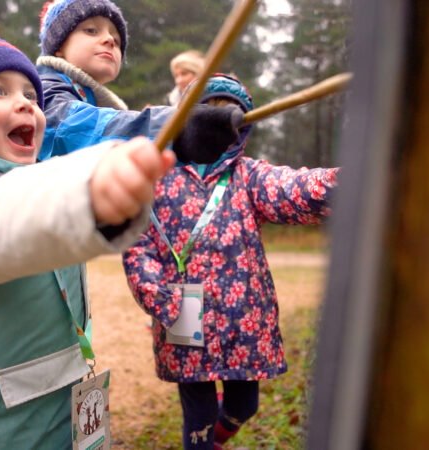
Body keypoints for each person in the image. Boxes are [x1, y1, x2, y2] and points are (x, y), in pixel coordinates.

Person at [0, 35, 174, 448]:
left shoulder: (28, 180)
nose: (26, 104)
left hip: (50, 411)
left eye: (31, 95)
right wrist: (87, 193)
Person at [122, 74, 340, 449]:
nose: (222, 127)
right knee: (199, 418)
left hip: (244, 322)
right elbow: (138, 245)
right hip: (183, 319)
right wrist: (160, 296)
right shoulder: (159, 177)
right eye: (211, 113)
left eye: (233, 118)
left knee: (244, 405)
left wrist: (346, 181)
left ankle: (219, 439)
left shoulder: (248, 176)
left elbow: (296, 189)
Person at [34, 0, 241, 165]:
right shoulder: (42, 92)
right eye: (91, 30)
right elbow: (72, 128)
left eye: (116, 37)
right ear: (58, 46)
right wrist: (177, 126)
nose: (110, 40)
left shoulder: (90, 100)